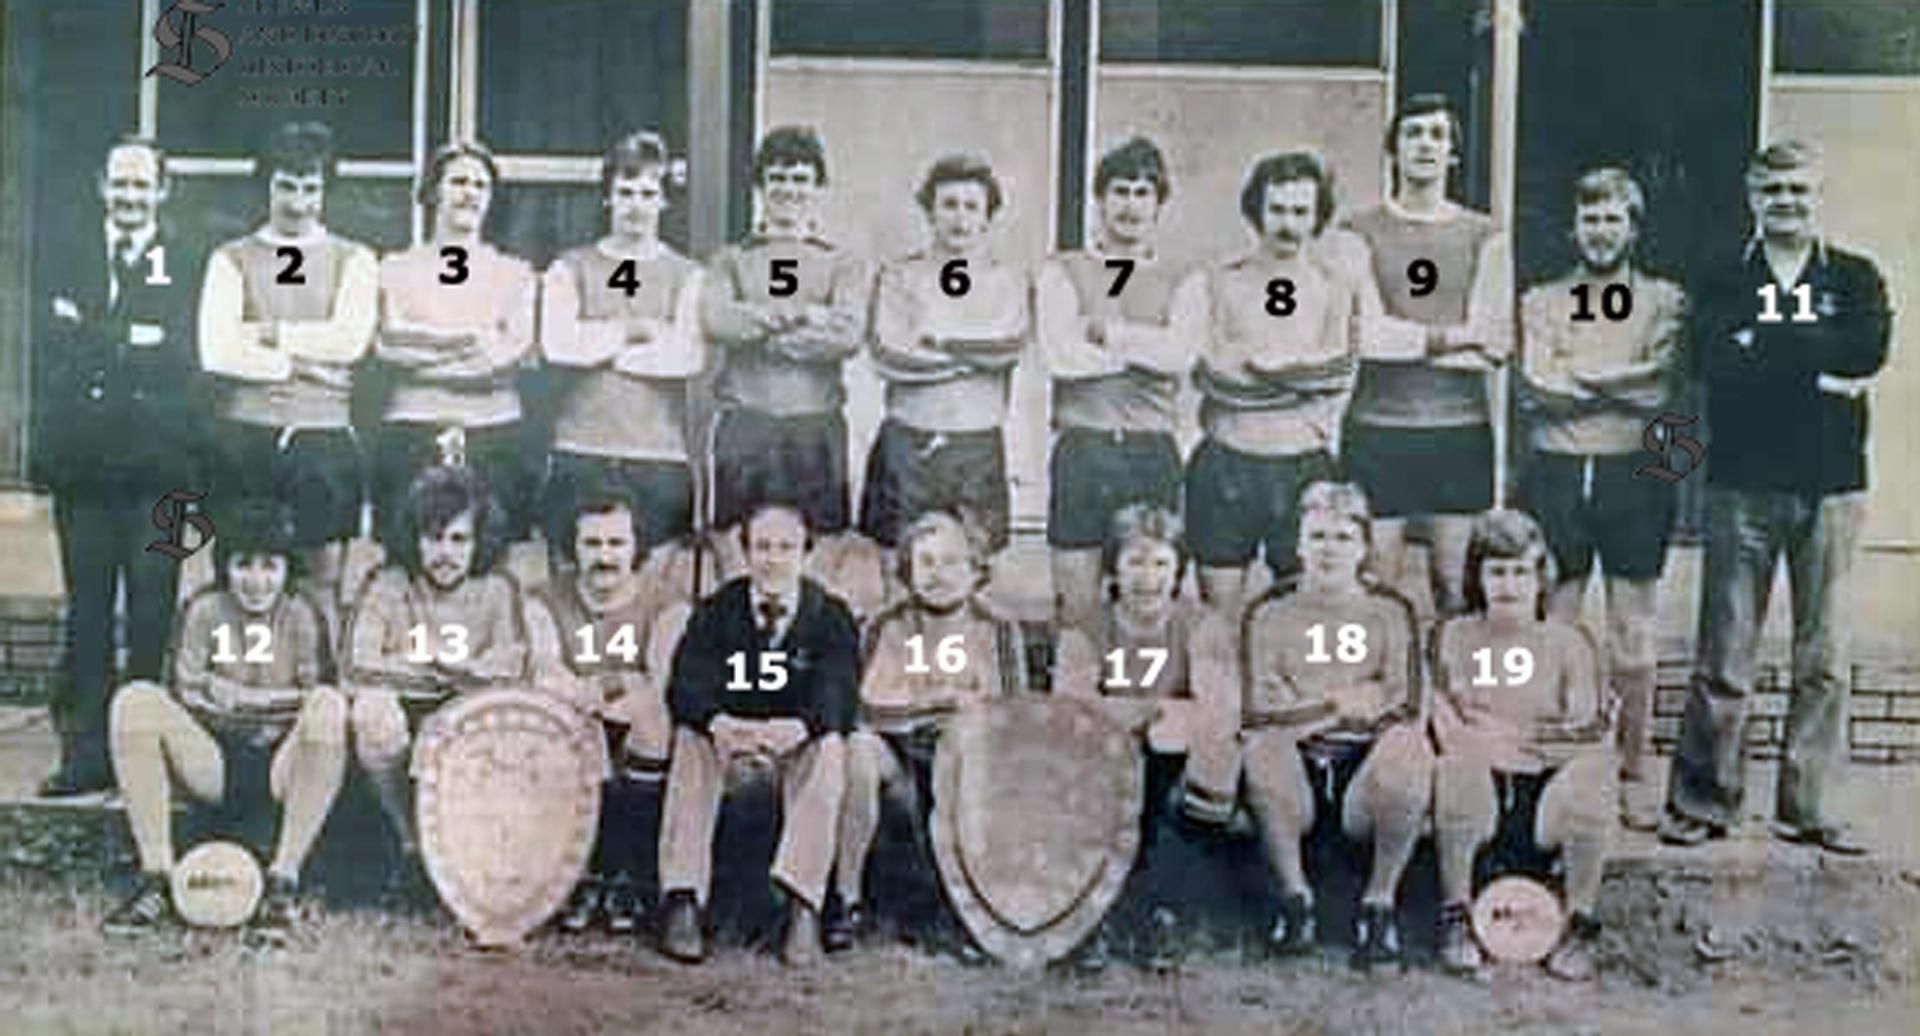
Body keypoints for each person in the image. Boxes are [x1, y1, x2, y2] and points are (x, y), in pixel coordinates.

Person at [1661, 142, 1891, 855]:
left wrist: (1763, 347)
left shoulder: (1853, 275)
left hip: (1832, 487)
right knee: (1726, 653)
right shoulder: (1722, 276)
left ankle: (1811, 807)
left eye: (1798, 189)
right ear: (1752, 196)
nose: (1786, 201)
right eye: (1773, 190)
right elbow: (1711, 361)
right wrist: (1814, 365)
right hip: (1740, 484)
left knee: (1824, 656)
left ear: (1818, 194)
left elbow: (1867, 351)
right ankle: (1704, 802)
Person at [33, 137, 207, 796]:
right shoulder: (67, 255)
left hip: (164, 474)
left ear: (162, 192)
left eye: (142, 184)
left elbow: (184, 358)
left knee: (153, 612)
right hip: (84, 470)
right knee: (87, 611)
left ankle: (147, 753)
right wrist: (134, 343)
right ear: (102, 188)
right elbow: (53, 348)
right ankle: (85, 755)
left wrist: (96, 336)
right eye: (121, 183)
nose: (131, 196)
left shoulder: (186, 262)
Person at [1517, 167, 1687, 830]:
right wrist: (1617, 382)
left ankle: (1633, 771)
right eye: (1590, 218)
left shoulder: (1665, 299)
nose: (1600, 230)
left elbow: (1658, 388)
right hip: (1556, 469)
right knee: (1556, 624)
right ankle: (1556, 761)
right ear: (1573, 228)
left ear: (1634, 229)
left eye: (1613, 218)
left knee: (1631, 633)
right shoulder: (1541, 299)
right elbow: (1539, 385)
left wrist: (1581, 376)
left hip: (1638, 469)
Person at [103, 501, 347, 934]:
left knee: (329, 708)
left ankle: (283, 881)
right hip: (211, 758)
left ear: (286, 568)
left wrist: (242, 698)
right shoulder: (203, 608)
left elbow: (316, 696)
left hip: (281, 763)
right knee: (134, 700)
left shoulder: (301, 612)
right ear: (226, 566)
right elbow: (187, 693)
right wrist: (266, 702)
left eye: (270, 566)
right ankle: (156, 877)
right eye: (243, 564)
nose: (256, 580)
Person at [656, 502, 860, 967]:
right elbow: (685, 683)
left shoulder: (829, 614)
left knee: (829, 746)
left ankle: (803, 904)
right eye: (763, 547)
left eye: (786, 548)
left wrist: (800, 727)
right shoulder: (717, 610)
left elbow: (840, 688)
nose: (773, 559)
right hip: (731, 746)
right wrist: (718, 723)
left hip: (791, 749)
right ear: (745, 553)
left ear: (806, 554)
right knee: (690, 739)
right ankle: (684, 897)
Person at [1236, 482, 1430, 968]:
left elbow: (1406, 703)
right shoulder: (1269, 609)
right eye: (1318, 536)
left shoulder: (1391, 608)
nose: (1329, 550)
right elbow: (1258, 710)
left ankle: (1379, 905)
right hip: (1295, 767)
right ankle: (1294, 899)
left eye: (1343, 538)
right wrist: (1335, 706)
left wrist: (1309, 707)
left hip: (1363, 770)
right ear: (1299, 544)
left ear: (1364, 547)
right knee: (1263, 746)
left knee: (1408, 747)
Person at [198, 121, 378, 624]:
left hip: (322, 436)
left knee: (321, 574)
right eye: (286, 186)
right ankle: (237, 667)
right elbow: (217, 351)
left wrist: (265, 332)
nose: (298, 203)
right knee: (240, 569)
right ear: (267, 184)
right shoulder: (230, 258)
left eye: (310, 188)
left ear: (325, 190)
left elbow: (349, 342)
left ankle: (315, 663)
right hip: (246, 435)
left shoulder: (354, 258)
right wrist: (303, 364)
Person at [1342, 94, 1513, 618]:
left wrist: (1407, 341)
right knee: (1377, 585)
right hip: (1378, 426)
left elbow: (1493, 346)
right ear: (1393, 148)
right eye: (1413, 133)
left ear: (1453, 154)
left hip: (1459, 430)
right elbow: (1369, 339)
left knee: (1454, 586)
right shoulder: (1357, 231)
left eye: (1438, 135)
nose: (1425, 145)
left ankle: (1449, 675)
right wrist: (1456, 337)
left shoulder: (1486, 235)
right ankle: (1384, 674)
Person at [829, 510, 1027, 954]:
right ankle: (846, 899)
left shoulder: (997, 626)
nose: (939, 574)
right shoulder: (888, 623)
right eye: (927, 562)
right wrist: (943, 701)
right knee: (858, 749)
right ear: (907, 569)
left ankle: (969, 907)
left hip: (968, 759)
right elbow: (869, 708)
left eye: (952, 562)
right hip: (902, 761)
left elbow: (1009, 714)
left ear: (976, 569)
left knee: (972, 745)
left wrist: (937, 707)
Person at [1429, 511, 1612, 981]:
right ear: (1477, 576)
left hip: (1545, 794)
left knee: (1594, 772)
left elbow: (1586, 730)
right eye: (1496, 571)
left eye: (1520, 572)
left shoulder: (1569, 641)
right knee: (1456, 764)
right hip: (1479, 795)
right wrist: (1495, 740)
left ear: (1540, 578)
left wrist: (1511, 736)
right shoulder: (1454, 634)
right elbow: (1446, 723)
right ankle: (1456, 916)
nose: (1508, 585)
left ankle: (1579, 922)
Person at [1053, 505, 1238, 969]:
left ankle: (1162, 913)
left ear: (1178, 570)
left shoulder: (1201, 624)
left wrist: (1138, 712)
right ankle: (1092, 915)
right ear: (1114, 567)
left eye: (1160, 563)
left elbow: (1217, 706)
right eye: (1134, 561)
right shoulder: (1087, 626)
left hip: (1173, 755)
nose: (1147, 577)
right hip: (1107, 750)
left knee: (1184, 746)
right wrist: (1150, 708)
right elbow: (1070, 706)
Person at [1036, 137, 1200, 633]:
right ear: (1100, 198)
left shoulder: (1183, 277)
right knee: (1076, 606)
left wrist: (1107, 333)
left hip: (1151, 449)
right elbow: (1062, 358)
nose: (1130, 205)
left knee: (1149, 602)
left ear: (1158, 203)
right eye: (1120, 191)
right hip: (1083, 447)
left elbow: (1180, 356)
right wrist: (1148, 348)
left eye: (1143, 193)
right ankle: (1076, 682)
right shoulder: (1064, 268)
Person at [346, 465, 531, 903]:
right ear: (413, 539)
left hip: (465, 714)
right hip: (404, 707)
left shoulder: (498, 587)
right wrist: (441, 670)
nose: (445, 553)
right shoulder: (388, 582)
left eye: (459, 539)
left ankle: (465, 856)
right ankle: (410, 845)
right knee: (373, 714)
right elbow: (357, 664)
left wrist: (449, 674)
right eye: (433, 538)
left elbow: (513, 666)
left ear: (479, 541)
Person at [1187, 150, 1359, 620]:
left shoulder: (1335, 285)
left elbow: (1337, 374)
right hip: (1227, 462)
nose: (1288, 224)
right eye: (1277, 210)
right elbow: (1213, 378)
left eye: (1301, 211)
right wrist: (1298, 379)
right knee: (1219, 615)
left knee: (1303, 613)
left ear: (1318, 216)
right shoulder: (1221, 281)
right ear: (1256, 211)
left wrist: (1260, 366)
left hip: (1304, 467)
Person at [526, 489, 692, 935]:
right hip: (574, 723)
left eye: (617, 543)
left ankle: (627, 873)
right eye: (592, 543)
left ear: (637, 546)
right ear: (572, 545)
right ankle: (580, 872)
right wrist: (610, 689)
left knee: (653, 726)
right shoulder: (543, 599)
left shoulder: (667, 602)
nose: (605, 556)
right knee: (571, 725)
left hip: (636, 723)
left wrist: (604, 692)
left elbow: (657, 681)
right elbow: (546, 671)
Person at [542, 130, 706, 562]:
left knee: (658, 577)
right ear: (607, 197)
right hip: (582, 447)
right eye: (626, 191)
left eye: (648, 193)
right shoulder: (570, 266)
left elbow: (687, 357)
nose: (636, 204)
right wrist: (634, 330)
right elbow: (559, 346)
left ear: (663, 201)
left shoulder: (688, 274)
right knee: (575, 571)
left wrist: (596, 344)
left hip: (658, 453)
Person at [702, 126, 870, 548]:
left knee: (822, 539)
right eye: (777, 177)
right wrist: (803, 315)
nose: (788, 189)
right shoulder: (731, 258)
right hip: (746, 420)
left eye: (799, 179)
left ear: (817, 186)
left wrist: (760, 327)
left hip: (815, 423)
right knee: (733, 539)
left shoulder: (840, 261)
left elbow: (847, 334)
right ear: (760, 184)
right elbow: (719, 321)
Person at [372, 140, 538, 551]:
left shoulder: (515, 273)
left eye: (480, 185)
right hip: (411, 430)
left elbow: (508, 356)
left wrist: (426, 351)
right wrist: (472, 338)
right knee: (409, 554)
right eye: (458, 182)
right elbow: (389, 344)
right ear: (433, 191)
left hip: (495, 434)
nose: (469, 193)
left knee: (494, 555)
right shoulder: (394, 268)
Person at [863, 153, 1029, 559]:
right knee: (899, 569)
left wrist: (939, 342)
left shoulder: (1007, 279)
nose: (960, 218)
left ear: (987, 217)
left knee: (975, 569)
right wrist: (973, 356)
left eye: (972, 206)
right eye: (949, 205)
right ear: (930, 212)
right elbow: (890, 355)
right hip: (908, 440)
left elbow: (1008, 346)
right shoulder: (899, 275)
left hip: (976, 444)